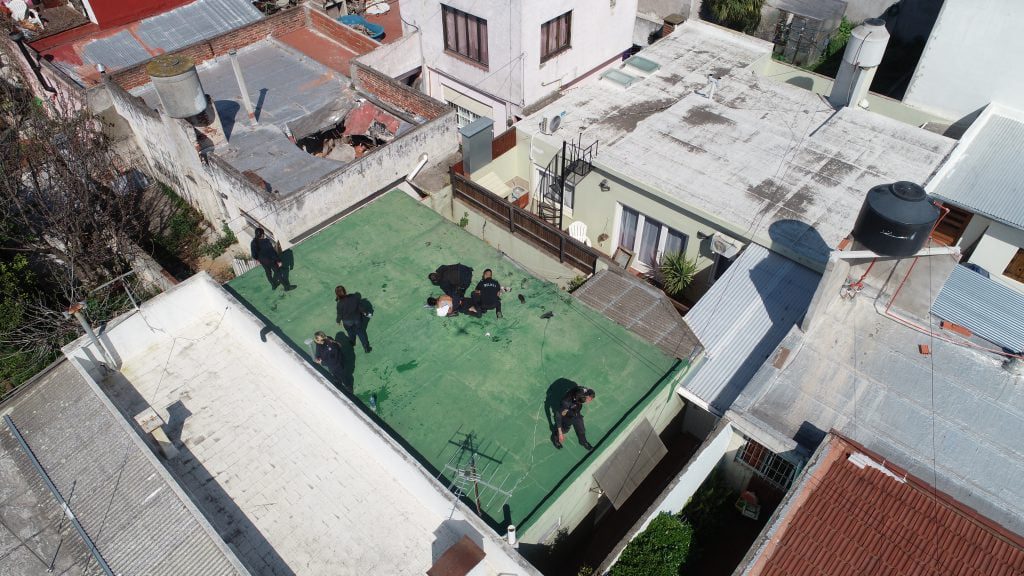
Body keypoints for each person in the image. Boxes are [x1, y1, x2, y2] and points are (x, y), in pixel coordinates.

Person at [556, 386, 596, 450]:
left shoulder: (583, 391)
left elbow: (587, 390)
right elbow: (558, 416)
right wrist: (560, 433)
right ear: (578, 400)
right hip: (568, 413)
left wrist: (590, 396)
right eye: (586, 400)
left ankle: (583, 442)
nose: (588, 401)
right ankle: (556, 436)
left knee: (581, 428)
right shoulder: (566, 402)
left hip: (576, 412)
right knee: (565, 429)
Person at [335, 286, 372, 353]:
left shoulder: (339, 304)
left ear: (337, 294)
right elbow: (361, 307)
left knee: (350, 332)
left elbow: (339, 314)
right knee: (361, 333)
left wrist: (338, 321)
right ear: (345, 291)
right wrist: (366, 313)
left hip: (347, 322)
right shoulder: (353, 297)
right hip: (357, 319)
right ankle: (366, 347)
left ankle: (352, 342)